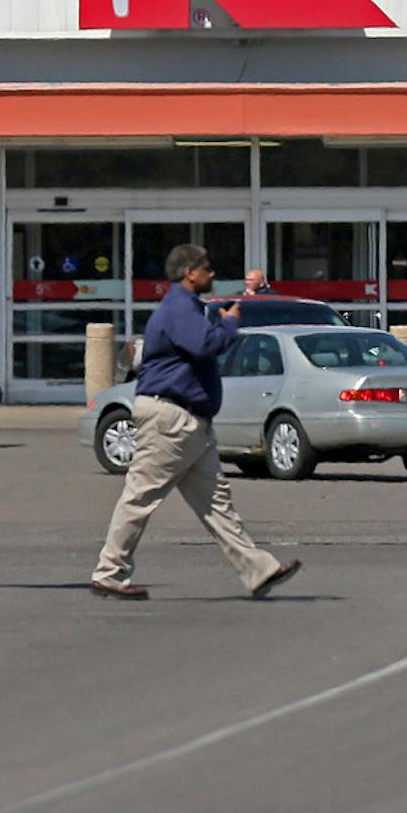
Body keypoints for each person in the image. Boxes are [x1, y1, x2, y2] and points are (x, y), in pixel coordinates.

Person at [90, 244, 303, 600]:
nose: (212, 273)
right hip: (170, 417)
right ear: (190, 273)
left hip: (190, 422)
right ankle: (109, 572)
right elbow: (204, 345)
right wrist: (230, 323)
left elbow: (198, 343)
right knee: (140, 496)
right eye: (206, 268)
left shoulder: (187, 307)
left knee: (217, 502)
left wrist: (220, 321)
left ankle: (259, 570)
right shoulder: (178, 307)